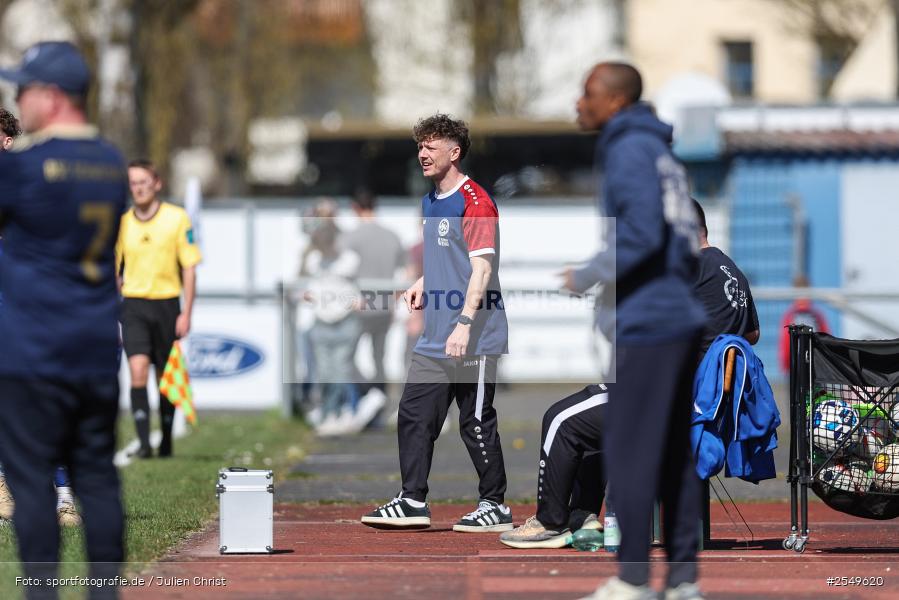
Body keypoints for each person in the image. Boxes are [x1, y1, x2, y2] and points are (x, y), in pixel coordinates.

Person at [561, 62, 707, 600]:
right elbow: (683, 235)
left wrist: (589, 273)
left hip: (649, 321)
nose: (579, 102)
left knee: (630, 449)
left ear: (615, 101)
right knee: (672, 454)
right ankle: (684, 580)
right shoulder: (660, 149)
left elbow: (642, 233)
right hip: (677, 315)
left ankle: (633, 578)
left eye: (587, 92)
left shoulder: (626, 148)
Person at [0, 41, 127, 597]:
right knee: (97, 481)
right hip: (95, 350)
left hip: (34, 354)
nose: (17, 100)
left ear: (49, 97)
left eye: (22, 90)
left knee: (30, 488)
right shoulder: (113, 164)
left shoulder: (24, 169)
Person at [361, 113, 512, 532]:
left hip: (475, 334)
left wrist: (464, 323)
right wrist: (423, 281)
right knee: (413, 414)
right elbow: (450, 256)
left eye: (431, 146)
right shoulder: (430, 200)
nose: (422, 154)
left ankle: (494, 504)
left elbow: (482, 269)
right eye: (420, 147)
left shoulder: (476, 201)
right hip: (434, 335)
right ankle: (412, 499)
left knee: (475, 421)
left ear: (454, 152)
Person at [117, 159, 201, 458]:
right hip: (135, 306)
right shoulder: (123, 222)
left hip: (167, 304)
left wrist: (187, 312)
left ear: (157, 183)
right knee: (137, 369)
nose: (138, 188)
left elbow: (189, 268)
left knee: (165, 376)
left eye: (143, 182)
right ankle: (143, 443)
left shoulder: (177, 219)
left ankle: (165, 439)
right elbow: (115, 272)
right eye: (133, 183)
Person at [342, 189, 406, 423]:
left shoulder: (350, 238)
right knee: (380, 357)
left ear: (355, 208)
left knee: (345, 357)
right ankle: (381, 402)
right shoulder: (392, 236)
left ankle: (367, 395)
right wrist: (395, 300)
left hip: (359, 307)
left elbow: (341, 273)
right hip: (385, 306)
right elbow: (406, 273)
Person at [301, 200, 363, 436]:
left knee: (340, 370)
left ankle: (339, 412)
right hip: (322, 321)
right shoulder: (312, 259)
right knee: (325, 372)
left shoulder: (348, 257)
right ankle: (329, 412)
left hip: (345, 320)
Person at [693, 199, 760, 354]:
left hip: (700, 374)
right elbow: (753, 334)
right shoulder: (737, 273)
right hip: (733, 374)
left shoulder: (692, 267)